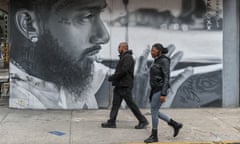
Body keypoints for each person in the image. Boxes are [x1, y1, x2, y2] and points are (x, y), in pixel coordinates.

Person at [9, 0, 110, 109]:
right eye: (86, 16)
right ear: (29, 26)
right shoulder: (17, 97)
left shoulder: (72, 68)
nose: (104, 36)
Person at [101, 42, 149, 129]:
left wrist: (112, 77)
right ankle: (112, 122)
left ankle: (143, 121)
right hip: (120, 85)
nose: (118, 49)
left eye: (119, 47)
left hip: (124, 86)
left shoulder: (128, 57)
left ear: (123, 48)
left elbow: (123, 71)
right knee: (115, 104)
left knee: (131, 104)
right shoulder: (125, 57)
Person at [144, 43, 183, 143]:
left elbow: (166, 77)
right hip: (155, 89)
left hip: (160, 89)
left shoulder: (164, 61)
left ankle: (154, 136)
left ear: (159, 51)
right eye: (151, 50)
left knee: (154, 111)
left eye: (153, 50)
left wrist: (163, 93)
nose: (151, 52)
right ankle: (175, 124)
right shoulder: (156, 60)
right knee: (155, 110)